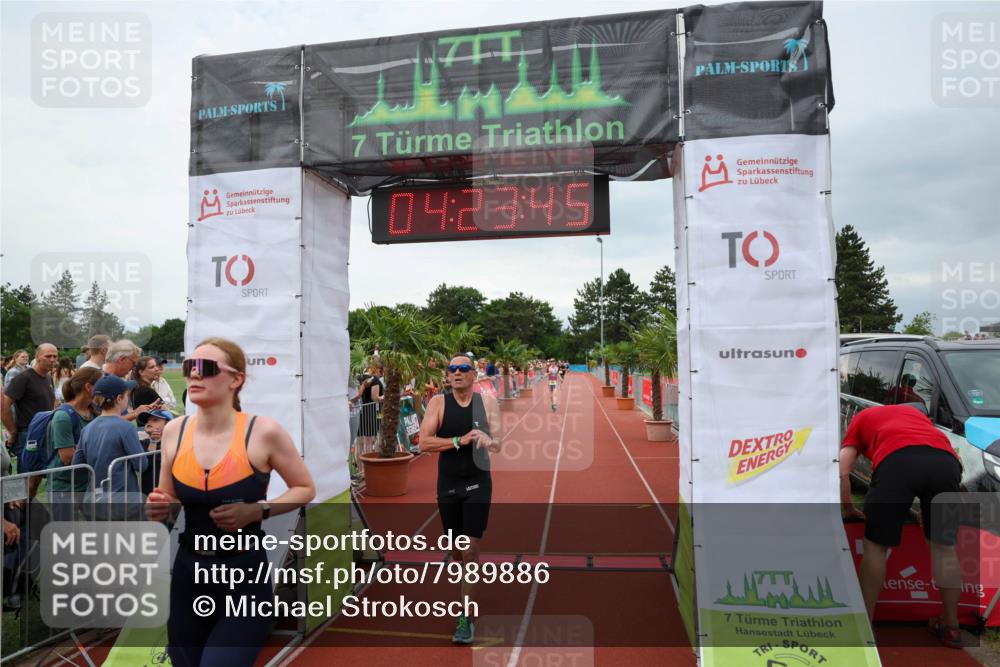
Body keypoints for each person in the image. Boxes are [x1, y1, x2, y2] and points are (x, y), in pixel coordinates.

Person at [145, 337, 315, 667]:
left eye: (206, 368)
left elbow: (305, 487)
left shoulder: (263, 432)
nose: (194, 374)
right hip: (189, 573)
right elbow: (169, 497)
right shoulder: (175, 431)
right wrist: (161, 507)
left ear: (236, 379)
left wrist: (257, 510)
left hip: (244, 574)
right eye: (189, 367)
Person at [839, 404, 963, 648]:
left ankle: (865, 629)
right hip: (947, 463)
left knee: (876, 547)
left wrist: (849, 508)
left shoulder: (861, 418)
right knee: (944, 548)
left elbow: (842, 471)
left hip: (896, 461)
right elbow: (932, 461)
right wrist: (926, 511)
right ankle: (952, 626)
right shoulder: (917, 417)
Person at [417, 354, 501, 644]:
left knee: (469, 550)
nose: (456, 373)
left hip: (479, 482)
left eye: (463, 368)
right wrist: (458, 441)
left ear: (474, 374)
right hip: (449, 485)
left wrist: (490, 441)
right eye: (452, 369)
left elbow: (499, 442)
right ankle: (468, 571)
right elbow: (423, 442)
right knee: (456, 551)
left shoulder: (486, 403)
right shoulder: (438, 403)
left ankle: (465, 618)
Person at [72, 375, 149, 518]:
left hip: (94, 500)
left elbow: (77, 467)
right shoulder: (126, 427)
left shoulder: (87, 429)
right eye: (127, 396)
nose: (128, 399)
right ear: (119, 398)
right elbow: (141, 465)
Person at [47, 368, 102, 518]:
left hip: (89, 483)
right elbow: (67, 457)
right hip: (64, 487)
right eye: (101, 384)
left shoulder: (95, 411)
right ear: (89, 387)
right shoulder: (63, 416)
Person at [2, 344, 59, 473]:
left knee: (42, 474)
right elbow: (4, 406)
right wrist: (12, 431)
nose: (52, 359)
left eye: (55, 356)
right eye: (48, 356)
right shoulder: (23, 378)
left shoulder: (48, 377)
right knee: (27, 476)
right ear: (37, 357)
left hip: (47, 431)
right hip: (28, 434)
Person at [137, 408, 172, 496]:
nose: (149, 423)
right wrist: (153, 441)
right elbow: (145, 464)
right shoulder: (143, 443)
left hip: (167, 493)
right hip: (146, 492)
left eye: (155, 420)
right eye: (147, 421)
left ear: (167, 424)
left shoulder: (174, 443)